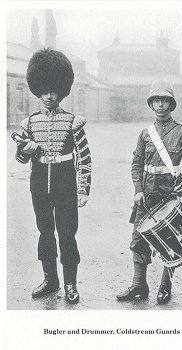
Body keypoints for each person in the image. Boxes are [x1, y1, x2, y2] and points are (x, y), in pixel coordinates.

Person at [15, 48, 91, 304]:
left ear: (62, 90)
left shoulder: (73, 122)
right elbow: (21, 159)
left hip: (66, 182)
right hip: (39, 183)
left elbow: (85, 158)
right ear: (37, 90)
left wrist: (83, 189)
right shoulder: (29, 123)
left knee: (67, 233)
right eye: (44, 91)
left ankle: (70, 284)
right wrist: (26, 150)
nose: (48, 96)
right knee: (44, 231)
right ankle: (51, 279)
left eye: (53, 90)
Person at [116, 80, 182, 305]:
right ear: (151, 105)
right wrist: (138, 190)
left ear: (171, 104)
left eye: (164, 100)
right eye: (156, 100)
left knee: (171, 241)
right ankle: (138, 285)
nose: (160, 104)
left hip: (170, 197)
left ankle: (166, 285)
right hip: (146, 196)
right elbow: (136, 164)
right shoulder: (145, 134)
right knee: (138, 239)